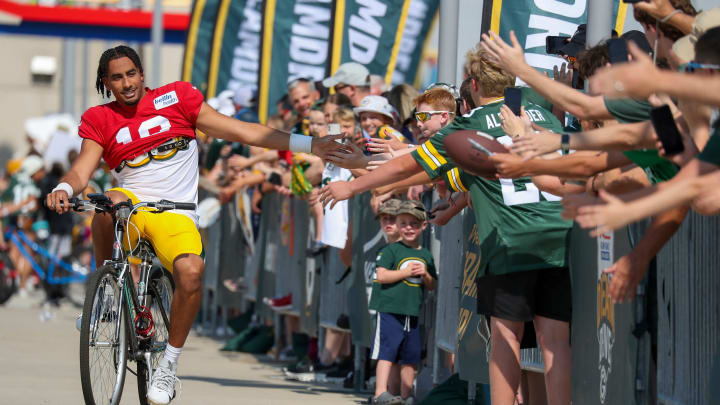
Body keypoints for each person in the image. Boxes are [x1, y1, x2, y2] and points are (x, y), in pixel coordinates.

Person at [45, 45, 344, 405]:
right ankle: (105, 294)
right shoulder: (99, 118)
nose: (126, 83)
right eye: (116, 78)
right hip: (133, 207)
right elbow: (82, 169)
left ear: (142, 74)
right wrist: (63, 187)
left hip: (176, 212)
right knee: (107, 204)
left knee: (191, 272)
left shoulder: (178, 98)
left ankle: (168, 367)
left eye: (131, 74)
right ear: (105, 83)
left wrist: (311, 144)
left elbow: (243, 132)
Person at [320, 43, 573, 405]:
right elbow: (470, 176)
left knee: (505, 337)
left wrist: (352, 185)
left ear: (471, 84)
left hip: (510, 240)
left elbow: (410, 165)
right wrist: (453, 206)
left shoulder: (467, 126)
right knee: (555, 342)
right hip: (555, 235)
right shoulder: (543, 114)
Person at [370, 200, 436, 405]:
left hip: (412, 312)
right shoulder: (391, 250)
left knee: (411, 356)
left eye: (414, 224)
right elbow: (381, 276)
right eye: (404, 223)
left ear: (423, 226)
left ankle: (407, 395)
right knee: (387, 352)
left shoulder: (425, 255)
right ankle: (380, 392)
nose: (409, 228)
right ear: (398, 225)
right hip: (390, 309)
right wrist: (406, 272)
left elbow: (433, 285)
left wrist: (425, 274)